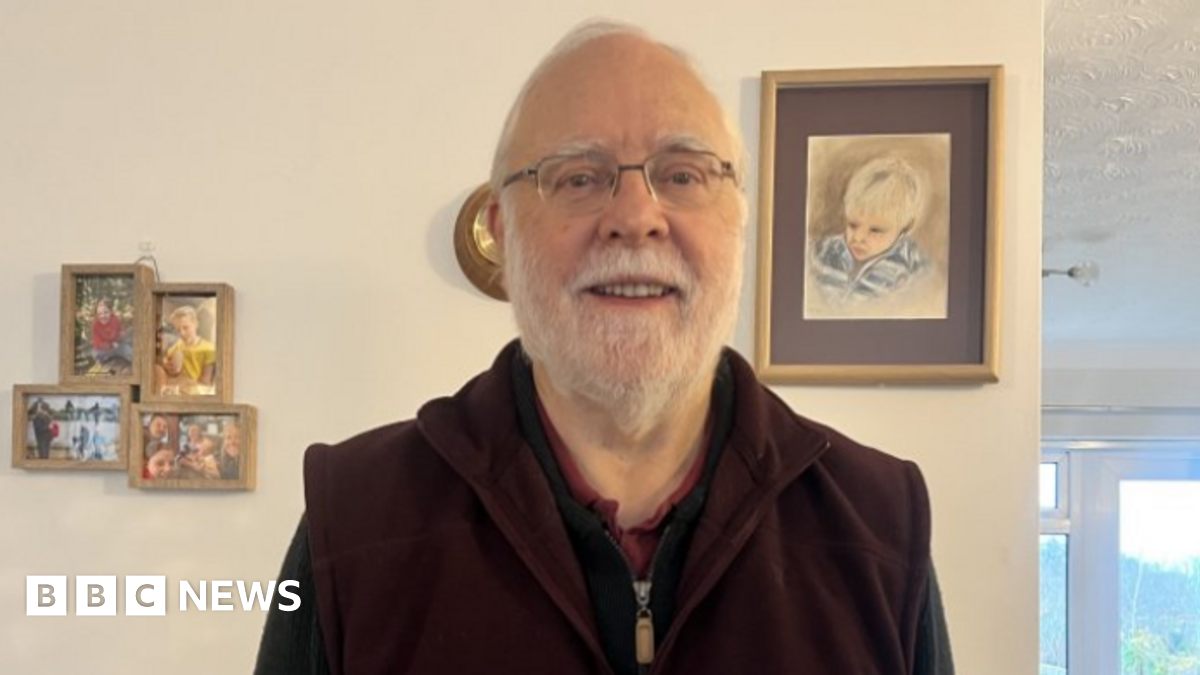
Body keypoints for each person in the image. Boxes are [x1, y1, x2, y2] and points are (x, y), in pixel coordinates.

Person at [256, 21, 953, 675]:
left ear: (739, 220)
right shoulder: (350, 523)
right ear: (503, 232)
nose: (634, 217)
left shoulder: (882, 526)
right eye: (578, 177)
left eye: (681, 174)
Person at [810, 155, 929, 308]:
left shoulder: (914, 269)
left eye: (875, 230)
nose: (857, 238)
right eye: (852, 225)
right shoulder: (820, 252)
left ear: (905, 228)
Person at [157, 305, 217, 395]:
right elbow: (167, 365)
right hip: (176, 387)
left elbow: (205, 383)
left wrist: (184, 384)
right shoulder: (176, 346)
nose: (182, 333)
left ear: (196, 324)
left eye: (185, 328)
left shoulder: (209, 348)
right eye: (178, 330)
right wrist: (166, 363)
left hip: (195, 389)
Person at [90, 298, 133, 366]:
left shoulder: (115, 320)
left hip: (117, 345)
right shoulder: (95, 325)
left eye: (106, 312)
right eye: (100, 314)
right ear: (97, 315)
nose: (103, 316)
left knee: (129, 352)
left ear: (111, 312)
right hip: (105, 349)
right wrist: (109, 345)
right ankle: (104, 360)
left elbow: (121, 331)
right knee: (95, 353)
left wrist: (118, 339)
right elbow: (97, 342)